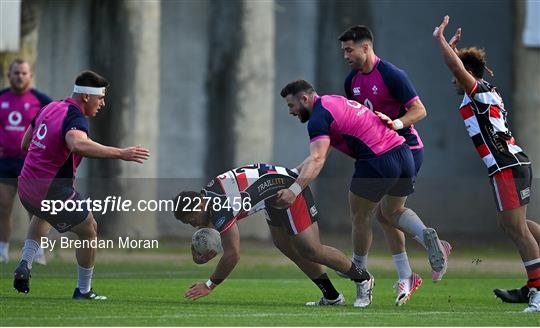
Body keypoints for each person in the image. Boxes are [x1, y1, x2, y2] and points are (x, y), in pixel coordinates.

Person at [276, 80, 448, 307]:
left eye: (291, 105)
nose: (290, 111)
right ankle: (426, 236)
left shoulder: (318, 118)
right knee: (391, 211)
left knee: (360, 217)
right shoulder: (333, 100)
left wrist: (295, 190)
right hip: (403, 153)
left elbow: (318, 159)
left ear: (304, 99)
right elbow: (316, 157)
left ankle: (360, 275)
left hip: (377, 160)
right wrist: (292, 173)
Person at [433, 15, 540, 313]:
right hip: (512, 164)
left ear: (468, 73)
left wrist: (440, 41)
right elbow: (459, 66)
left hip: (507, 166)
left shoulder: (478, 92)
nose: (453, 79)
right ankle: (534, 286)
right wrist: (455, 52)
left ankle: (538, 292)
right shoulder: (486, 90)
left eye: (458, 74)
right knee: (513, 225)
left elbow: (457, 68)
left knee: (516, 228)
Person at [12, 70, 150, 300]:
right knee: (89, 229)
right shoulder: (75, 116)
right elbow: (77, 144)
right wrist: (121, 153)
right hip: (51, 191)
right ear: (87, 97)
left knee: (42, 215)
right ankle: (83, 290)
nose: (103, 103)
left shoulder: (50, 107)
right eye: (101, 98)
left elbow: (25, 143)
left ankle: (25, 263)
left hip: (26, 187)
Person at [338, 25, 452, 300]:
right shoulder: (351, 81)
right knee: (385, 213)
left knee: (382, 212)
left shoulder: (391, 74)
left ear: (366, 47)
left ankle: (407, 259)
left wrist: (396, 122)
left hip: (406, 149)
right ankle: (408, 273)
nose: (345, 56)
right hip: (381, 153)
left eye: (349, 50)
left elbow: (420, 110)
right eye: (343, 51)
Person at [174, 163, 371, 306]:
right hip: (270, 196)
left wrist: (209, 285)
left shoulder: (219, 207)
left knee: (311, 249)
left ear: (199, 205)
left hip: (285, 187)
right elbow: (211, 230)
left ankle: (363, 278)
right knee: (286, 246)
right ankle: (332, 296)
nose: (192, 225)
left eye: (190, 219)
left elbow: (233, 254)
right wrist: (198, 256)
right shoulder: (206, 200)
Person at [0, 59, 52, 264]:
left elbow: (54, 128)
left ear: (30, 76)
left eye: (23, 73)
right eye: (16, 73)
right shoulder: (1, 98)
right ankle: (3, 250)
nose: (19, 77)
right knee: (3, 206)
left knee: (35, 207)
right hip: (4, 162)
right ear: (9, 75)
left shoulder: (42, 101)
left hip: (31, 163)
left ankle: (37, 251)